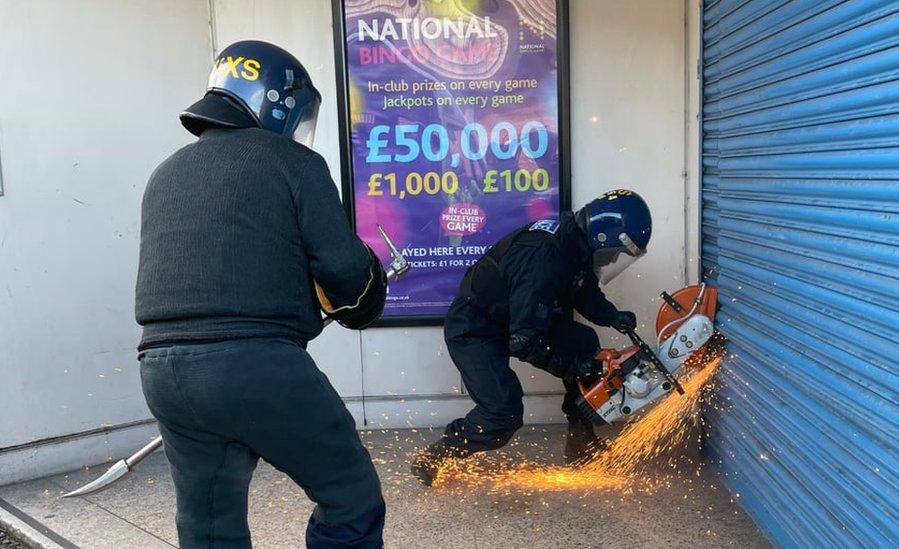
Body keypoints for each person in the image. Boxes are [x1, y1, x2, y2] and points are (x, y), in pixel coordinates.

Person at [135, 41, 387, 548]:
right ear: (277, 103)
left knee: (209, 524)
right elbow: (343, 269)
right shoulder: (293, 161)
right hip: (255, 366)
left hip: (164, 372)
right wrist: (364, 294)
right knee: (350, 496)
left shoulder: (165, 173)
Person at [411, 189, 653, 486]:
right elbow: (524, 341)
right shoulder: (544, 259)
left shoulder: (573, 245)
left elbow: (582, 289)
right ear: (603, 237)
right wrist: (575, 367)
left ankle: (581, 443)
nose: (614, 258)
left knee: (583, 341)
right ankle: (437, 455)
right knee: (503, 414)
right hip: (474, 328)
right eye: (616, 251)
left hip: (512, 317)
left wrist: (610, 315)